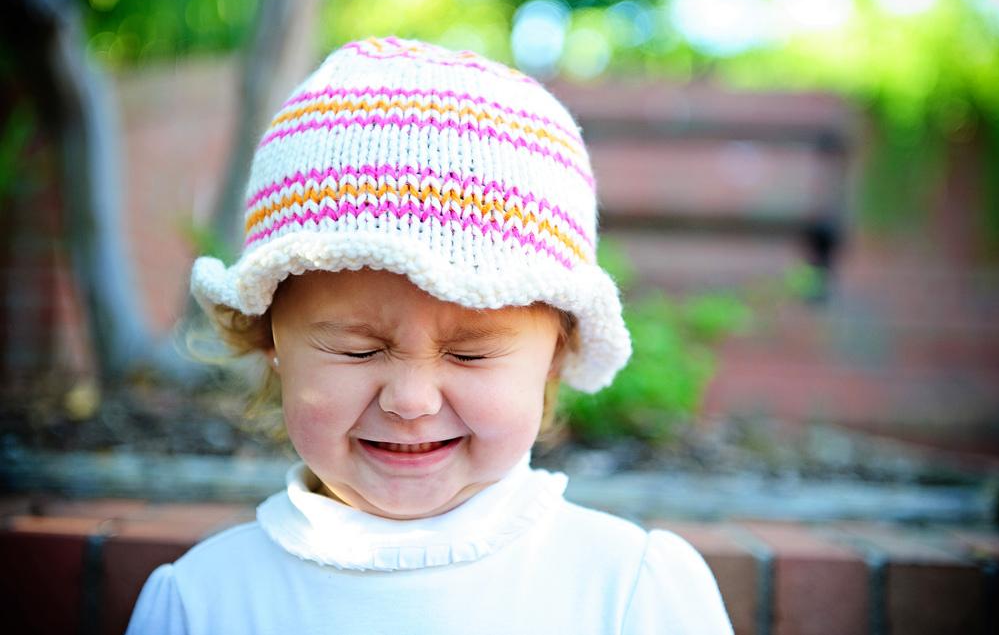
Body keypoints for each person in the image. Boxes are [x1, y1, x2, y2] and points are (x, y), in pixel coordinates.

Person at [126, 36, 734, 634]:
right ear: (270, 339)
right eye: (357, 349)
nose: (411, 401)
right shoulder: (203, 602)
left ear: (557, 350)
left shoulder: (627, 590)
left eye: (469, 353)